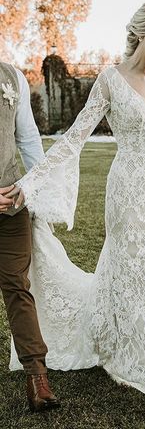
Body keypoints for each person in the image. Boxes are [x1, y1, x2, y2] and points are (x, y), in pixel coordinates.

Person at [6, 0, 145, 421]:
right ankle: (116, 347)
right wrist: (29, 183)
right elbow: (74, 138)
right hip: (128, 197)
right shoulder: (111, 81)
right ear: (143, 30)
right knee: (127, 277)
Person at [0, 62, 60, 412]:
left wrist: (34, 188)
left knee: (17, 285)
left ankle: (37, 377)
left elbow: (27, 139)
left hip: (11, 205)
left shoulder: (12, 77)